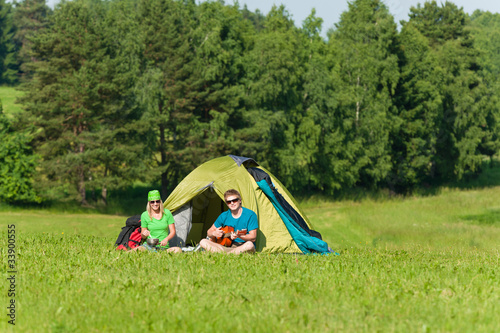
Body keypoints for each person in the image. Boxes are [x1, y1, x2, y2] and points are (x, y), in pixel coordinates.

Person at [199, 189, 258, 254]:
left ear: (240, 201)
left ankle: (223, 254)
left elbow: (253, 237)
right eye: (229, 202)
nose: (232, 203)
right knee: (203, 241)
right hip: (225, 247)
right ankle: (230, 254)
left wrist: (239, 236)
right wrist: (214, 233)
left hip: (242, 246)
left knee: (249, 245)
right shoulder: (223, 216)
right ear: (227, 204)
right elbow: (209, 232)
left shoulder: (250, 214)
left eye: (234, 200)